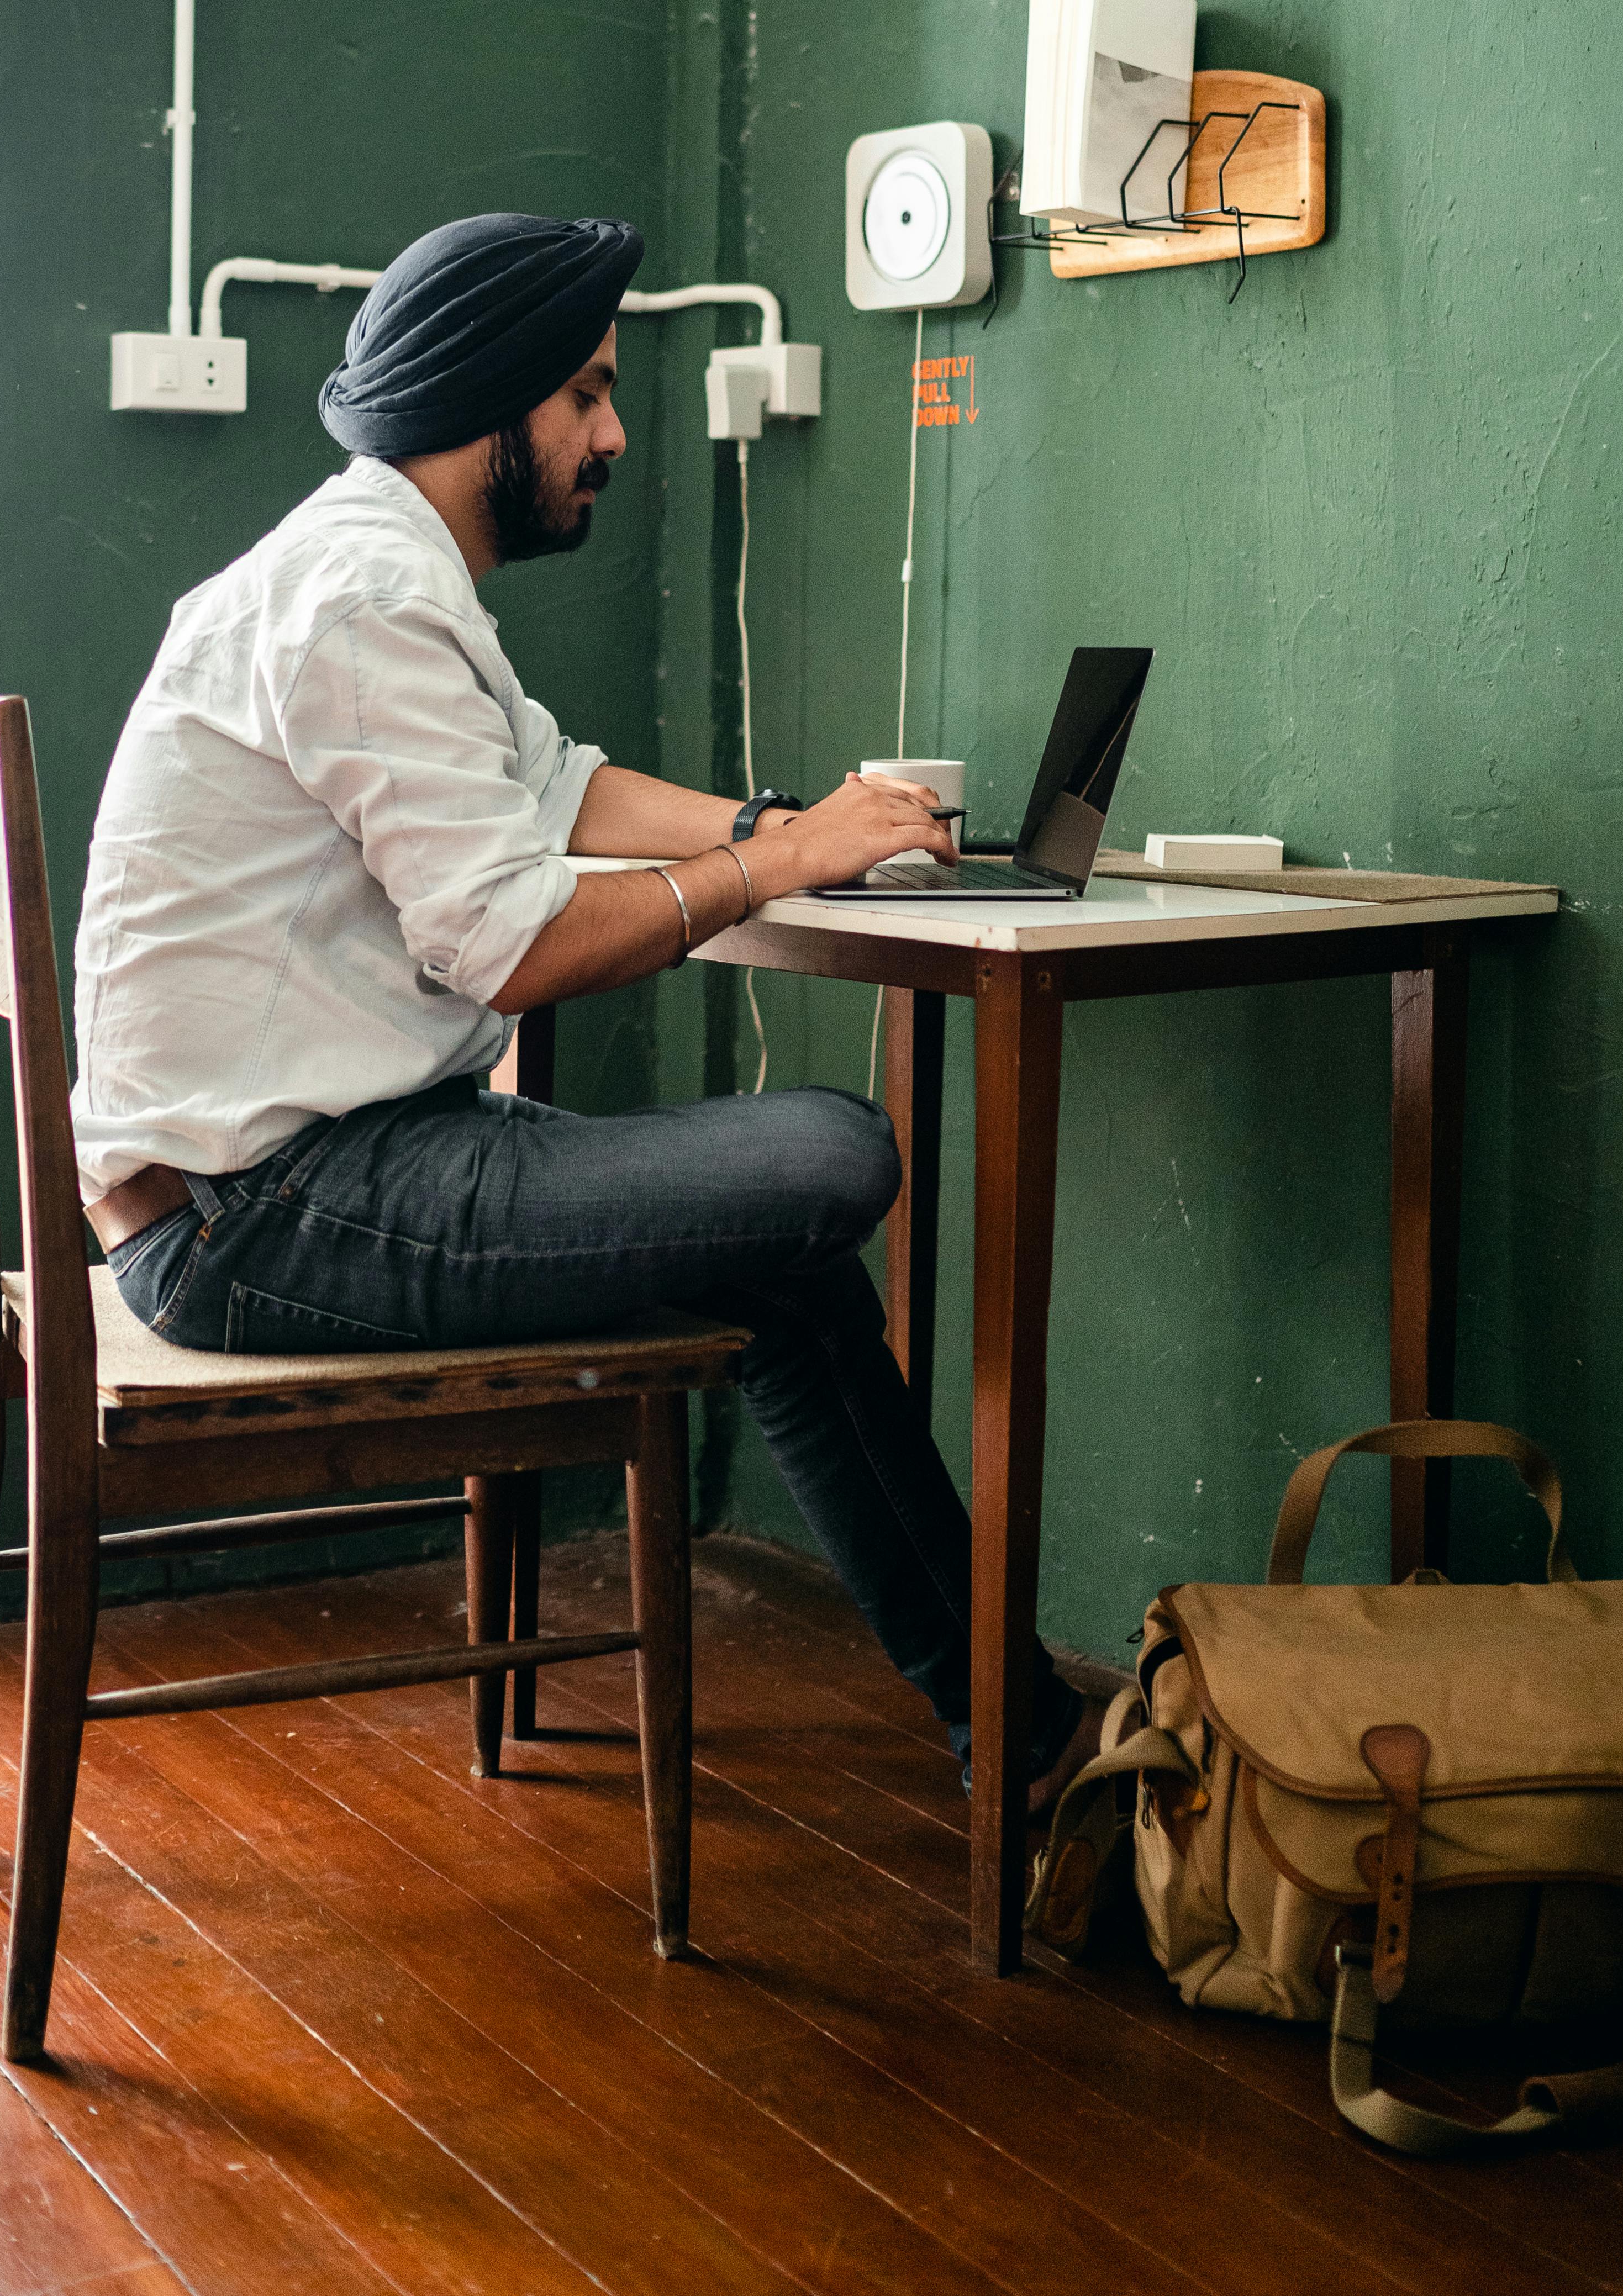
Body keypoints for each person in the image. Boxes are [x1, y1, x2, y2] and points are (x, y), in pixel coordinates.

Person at [71, 210, 1096, 1813]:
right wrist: (777, 871)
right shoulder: (359, 603)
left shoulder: (372, 567)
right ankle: (1026, 1741)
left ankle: (1026, 1748)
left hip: (290, 1177)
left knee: (789, 1267)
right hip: (260, 1213)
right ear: (490, 406)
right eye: (588, 398)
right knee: (831, 1157)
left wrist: (790, 822)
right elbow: (507, 944)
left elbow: (553, 785)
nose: (613, 436)